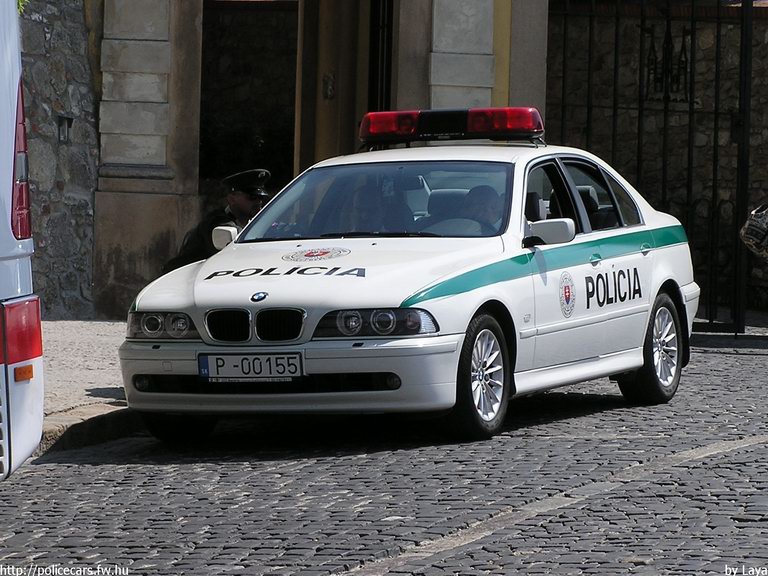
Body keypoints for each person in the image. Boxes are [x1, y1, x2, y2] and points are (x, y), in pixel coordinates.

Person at [163, 168, 271, 273]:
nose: (258, 202)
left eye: (260, 197)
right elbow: (236, 247)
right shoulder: (217, 222)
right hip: (184, 281)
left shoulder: (253, 224)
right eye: (252, 197)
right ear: (232, 199)